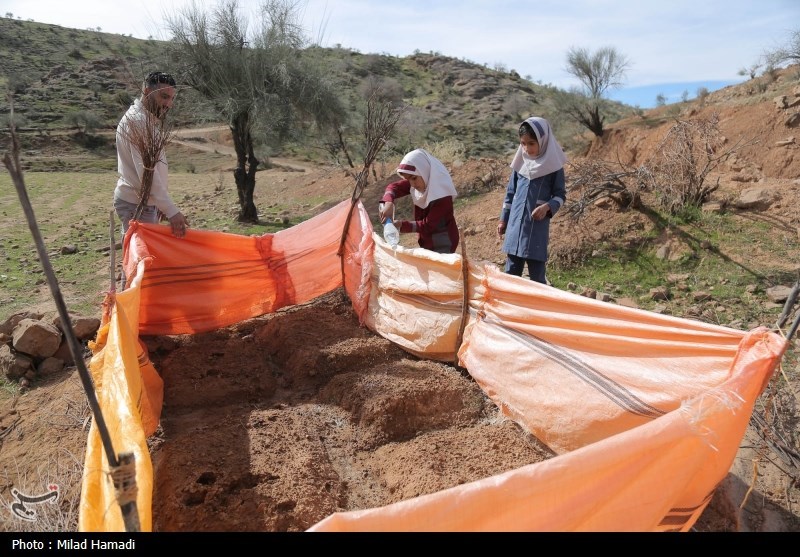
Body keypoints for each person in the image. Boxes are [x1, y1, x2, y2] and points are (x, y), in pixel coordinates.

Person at [114, 71, 188, 287]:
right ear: (147, 91)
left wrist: (161, 205)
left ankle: (129, 313)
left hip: (143, 202)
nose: (169, 104)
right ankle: (131, 316)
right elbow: (147, 174)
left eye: (172, 98)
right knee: (140, 268)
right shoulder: (139, 123)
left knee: (136, 263)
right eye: (164, 97)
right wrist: (172, 211)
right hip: (136, 203)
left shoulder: (143, 120)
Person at [497, 116, 567, 284]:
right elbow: (510, 194)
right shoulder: (520, 163)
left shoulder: (554, 166)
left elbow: (560, 195)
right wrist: (503, 220)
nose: (526, 148)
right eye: (523, 143)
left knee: (537, 277)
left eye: (531, 143)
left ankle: (537, 308)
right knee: (511, 274)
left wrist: (547, 207)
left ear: (542, 141)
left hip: (536, 228)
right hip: (515, 226)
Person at [378, 148, 460, 254]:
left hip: (444, 243)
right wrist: (389, 202)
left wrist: (400, 225)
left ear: (424, 170)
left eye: (413, 178)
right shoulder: (420, 179)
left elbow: (428, 225)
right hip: (426, 241)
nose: (412, 184)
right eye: (408, 180)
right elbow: (393, 187)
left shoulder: (442, 194)